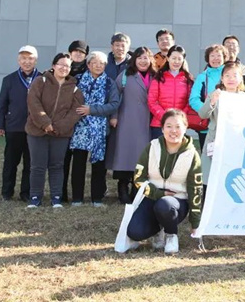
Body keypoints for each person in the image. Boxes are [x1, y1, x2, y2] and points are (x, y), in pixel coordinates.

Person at [127, 109, 203, 254]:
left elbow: (196, 189)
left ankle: (171, 235)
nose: (173, 131)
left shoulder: (192, 154)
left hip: (176, 202)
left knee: (164, 205)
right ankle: (159, 229)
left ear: (185, 128)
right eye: (169, 126)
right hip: (152, 196)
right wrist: (157, 193)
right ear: (162, 129)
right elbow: (138, 177)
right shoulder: (152, 147)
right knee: (134, 232)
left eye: (178, 126)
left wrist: (195, 222)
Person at [25, 53, 84, 208]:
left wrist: (58, 127)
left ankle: (56, 198)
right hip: (37, 131)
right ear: (53, 66)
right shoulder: (41, 81)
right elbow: (33, 102)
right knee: (38, 166)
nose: (64, 68)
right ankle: (35, 197)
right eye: (61, 64)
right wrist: (45, 122)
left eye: (67, 66)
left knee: (56, 166)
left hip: (60, 134)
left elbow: (75, 111)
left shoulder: (74, 89)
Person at [69, 51, 121, 206]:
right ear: (88, 64)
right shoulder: (77, 80)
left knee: (98, 165)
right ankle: (77, 198)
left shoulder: (109, 83)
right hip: (80, 127)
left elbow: (114, 104)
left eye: (102, 63)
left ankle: (96, 198)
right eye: (95, 63)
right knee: (78, 164)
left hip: (100, 128)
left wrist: (92, 110)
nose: (98, 66)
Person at [107, 46, 154, 204]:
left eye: (145, 58)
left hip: (147, 121)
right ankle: (122, 187)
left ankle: (137, 187)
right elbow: (115, 96)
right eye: (139, 58)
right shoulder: (125, 75)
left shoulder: (155, 76)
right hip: (126, 120)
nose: (143, 61)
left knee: (142, 155)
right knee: (124, 154)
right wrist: (114, 116)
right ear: (134, 60)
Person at [0, 45, 41, 201]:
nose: (27, 62)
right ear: (18, 60)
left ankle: (26, 193)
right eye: (23, 58)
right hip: (14, 127)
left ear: (35, 60)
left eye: (30, 58)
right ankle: (7, 192)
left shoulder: (43, 79)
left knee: (30, 163)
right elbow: (2, 104)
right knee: (10, 162)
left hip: (35, 128)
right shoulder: (9, 80)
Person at [197, 61, 245, 188]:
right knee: (211, 179)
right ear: (222, 78)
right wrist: (212, 102)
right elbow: (202, 114)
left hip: (236, 142)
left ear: (240, 79)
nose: (231, 79)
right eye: (227, 76)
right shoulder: (215, 94)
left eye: (234, 75)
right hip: (215, 140)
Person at [148, 45, 200, 139]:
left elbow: (190, 102)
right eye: (174, 58)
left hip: (179, 125)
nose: (176, 62)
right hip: (159, 124)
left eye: (179, 59)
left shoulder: (188, 79)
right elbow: (152, 101)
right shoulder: (158, 77)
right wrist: (165, 117)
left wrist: (179, 117)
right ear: (168, 58)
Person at [190, 44, 230, 156]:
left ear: (224, 58)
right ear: (207, 58)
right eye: (212, 56)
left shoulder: (229, 75)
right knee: (208, 158)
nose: (215, 58)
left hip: (226, 124)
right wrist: (207, 110)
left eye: (219, 55)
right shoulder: (202, 77)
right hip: (207, 126)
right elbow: (193, 99)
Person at [61, 39, 89, 201]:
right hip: (63, 122)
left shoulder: (89, 71)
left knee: (79, 162)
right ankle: (61, 194)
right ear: (70, 53)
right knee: (62, 160)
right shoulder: (62, 69)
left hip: (82, 123)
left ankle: (78, 196)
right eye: (75, 51)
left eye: (82, 52)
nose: (78, 54)